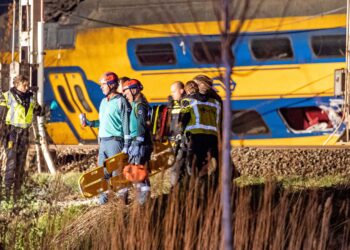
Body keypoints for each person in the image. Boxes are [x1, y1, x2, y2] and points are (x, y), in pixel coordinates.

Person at [80, 71, 131, 204]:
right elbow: (103, 122)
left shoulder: (121, 101)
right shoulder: (103, 102)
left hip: (115, 142)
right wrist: (90, 123)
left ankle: (122, 204)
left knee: (117, 174)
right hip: (103, 142)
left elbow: (126, 123)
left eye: (103, 84)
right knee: (102, 174)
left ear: (111, 85)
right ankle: (103, 205)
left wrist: (126, 144)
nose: (101, 87)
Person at [0, 75, 43, 200]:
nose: (27, 87)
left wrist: (48, 109)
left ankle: (16, 195)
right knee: (11, 163)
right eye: (24, 85)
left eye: (27, 85)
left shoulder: (30, 98)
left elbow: (39, 111)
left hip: (24, 134)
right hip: (11, 133)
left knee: (21, 164)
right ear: (17, 84)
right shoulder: (7, 96)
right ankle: (7, 195)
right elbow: (1, 116)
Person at [180, 80, 220, 181]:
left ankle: (196, 184)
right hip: (212, 137)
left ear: (187, 91)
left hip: (196, 136)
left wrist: (181, 133)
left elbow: (183, 118)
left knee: (193, 165)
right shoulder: (215, 103)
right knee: (208, 163)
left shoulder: (188, 101)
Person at [122, 79, 153, 204]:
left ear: (134, 90)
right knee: (136, 170)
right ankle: (143, 198)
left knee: (138, 170)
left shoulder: (141, 105)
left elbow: (141, 124)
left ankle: (144, 199)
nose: (125, 94)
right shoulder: (135, 104)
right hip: (137, 142)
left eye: (127, 91)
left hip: (141, 143)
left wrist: (137, 142)